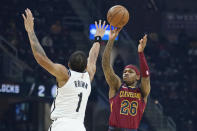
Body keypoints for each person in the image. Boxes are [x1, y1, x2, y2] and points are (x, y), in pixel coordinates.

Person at [22, 8, 108, 131]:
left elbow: (41, 58)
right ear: (85, 67)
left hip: (61, 126)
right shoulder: (88, 77)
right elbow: (93, 57)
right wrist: (98, 38)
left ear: (68, 64)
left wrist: (30, 31)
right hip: (79, 126)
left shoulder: (65, 75)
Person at [102, 26, 151, 131]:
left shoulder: (142, 91)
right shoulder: (117, 85)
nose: (126, 73)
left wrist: (141, 53)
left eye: (130, 72)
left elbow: (146, 76)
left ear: (138, 76)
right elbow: (106, 66)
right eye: (124, 72)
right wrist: (110, 41)